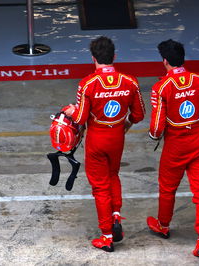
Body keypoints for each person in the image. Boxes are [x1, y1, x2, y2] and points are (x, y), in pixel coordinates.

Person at [63, 36, 145, 252]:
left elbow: (80, 119)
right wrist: (125, 125)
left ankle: (107, 236)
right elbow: (139, 114)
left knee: (100, 187)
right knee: (113, 175)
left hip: (97, 139)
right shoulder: (130, 81)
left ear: (93, 58)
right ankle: (116, 215)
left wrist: (70, 111)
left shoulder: (87, 83)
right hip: (117, 137)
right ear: (114, 56)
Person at [147, 39, 199, 257]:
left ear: (164, 61)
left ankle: (163, 225)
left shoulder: (161, 87)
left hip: (175, 149)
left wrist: (153, 136)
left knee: (167, 188)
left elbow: (157, 127)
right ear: (182, 58)